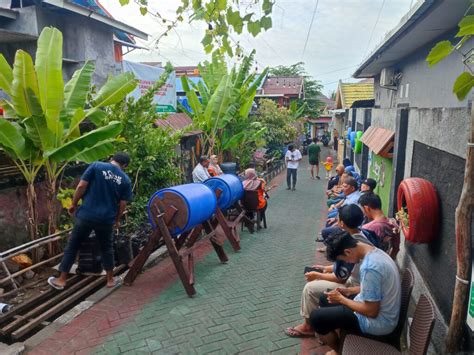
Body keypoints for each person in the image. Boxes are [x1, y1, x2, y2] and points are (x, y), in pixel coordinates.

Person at [48, 152, 133, 290]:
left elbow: (81, 186)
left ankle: (62, 280)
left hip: (86, 215)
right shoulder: (125, 180)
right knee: (107, 248)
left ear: (112, 159)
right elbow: (123, 204)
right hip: (106, 219)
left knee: (73, 245)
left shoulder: (96, 166)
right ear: (124, 165)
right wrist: (116, 220)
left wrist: (73, 204)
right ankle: (110, 280)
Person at [285, 205, 372, 338]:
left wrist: (318, 275)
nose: (336, 222)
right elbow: (348, 265)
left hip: (355, 286)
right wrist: (325, 269)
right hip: (357, 282)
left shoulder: (351, 243)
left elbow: (341, 277)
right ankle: (321, 325)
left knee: (310, 288)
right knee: (319, 281)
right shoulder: (361, 234)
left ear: (341, 223)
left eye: (338, 219)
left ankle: (309, 327)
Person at [309, 231, 401, 354]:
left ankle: (339, 351)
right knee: (324, 299)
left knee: (316, 318)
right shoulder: (376, 252)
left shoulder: (370, 267)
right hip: (384, 311)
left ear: (347, 252)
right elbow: (374, 288)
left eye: (344, 259)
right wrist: (348, 291)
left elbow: (371, 311)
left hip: (380, 322)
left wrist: (342, 299)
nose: (349, 263)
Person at [359, 192, 400, 259]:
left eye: (362, 210)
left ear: (366, 208)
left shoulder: (367, 229)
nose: (363, 213)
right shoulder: (393, 224)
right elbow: (396, 249)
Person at [242, 168, 268, 233]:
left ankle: (250, 219)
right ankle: (260, 220)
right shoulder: (259, 182)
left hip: (245, 205)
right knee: (265, 204)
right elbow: (263, 190)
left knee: (249, 202)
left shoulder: (243, 183)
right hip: (257, 205)